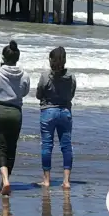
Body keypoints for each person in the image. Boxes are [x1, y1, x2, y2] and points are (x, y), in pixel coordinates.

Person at [0, 40, 31, 195]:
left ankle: (5, 180)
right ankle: (6, 180)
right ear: (17, 58)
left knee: (1, 148)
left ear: (3, 57)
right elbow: (24, 92)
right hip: (16, 113)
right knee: (12, 148)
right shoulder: (24, 74)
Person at [37, 46, 76, 189]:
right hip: (65, 112)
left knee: (47, 146)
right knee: (66, 146)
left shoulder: (46, 76)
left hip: (48, 112)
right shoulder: (71, 76)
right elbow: (71, 94)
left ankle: (46, 180)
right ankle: (66, 181)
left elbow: (38, 94)